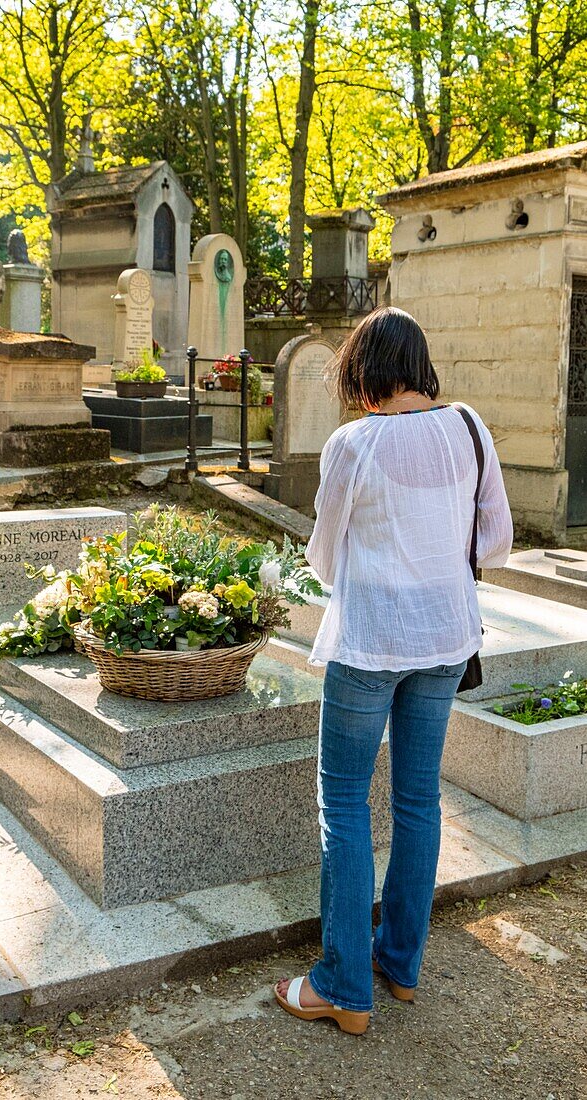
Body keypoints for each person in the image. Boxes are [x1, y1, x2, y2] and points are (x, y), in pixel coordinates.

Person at [274, 306, 513, 1035]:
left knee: (343, 806)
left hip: (372, 642)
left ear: (360, 370)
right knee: (417, 801)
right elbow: (495, 542)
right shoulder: (468, 426)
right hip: (445, 637)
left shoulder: (353, 442)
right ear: (419, 363)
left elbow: (322, 554)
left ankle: (343, 986)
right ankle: (398, 966)